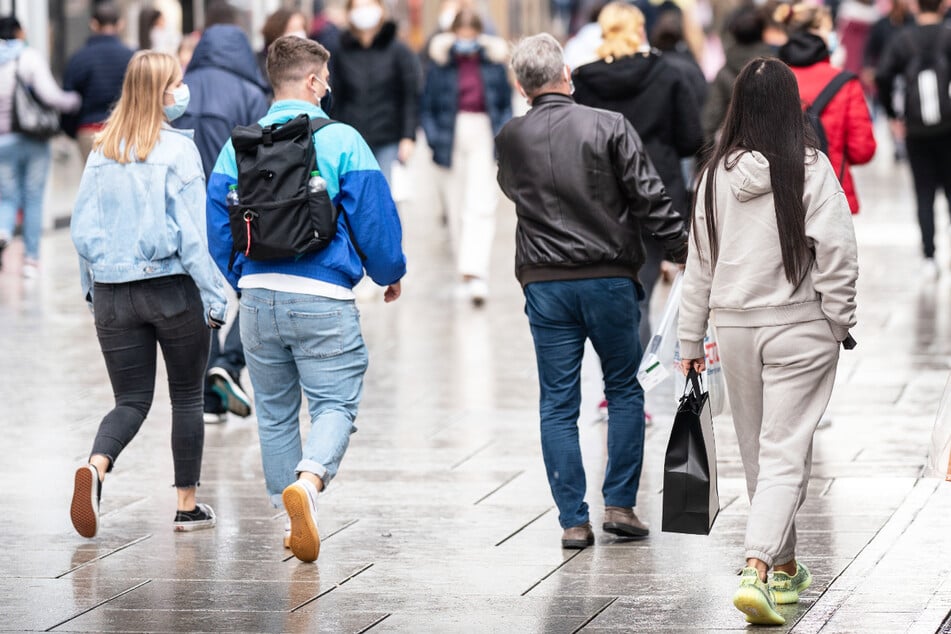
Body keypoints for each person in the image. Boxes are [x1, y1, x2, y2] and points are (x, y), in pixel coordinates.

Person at [206, 35, 406, 563]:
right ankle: (309, 484)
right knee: (334, 404)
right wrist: (389, 273)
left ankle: (288, 517)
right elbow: (375, 219)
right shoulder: (343, 140)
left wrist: (244, 276)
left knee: (273, 414)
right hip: (322, 295)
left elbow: (217, 229)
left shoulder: (237, 145)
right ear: (315, 81)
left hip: (257, 299)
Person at [679, 57, 857, 626]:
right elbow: (838, 254)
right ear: (790, 105)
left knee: (761, 454)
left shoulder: (712, 176)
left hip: (734, 327)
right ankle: (756, 566)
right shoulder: (809, 169)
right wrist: (837, 319)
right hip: (799, 325)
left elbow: (697, 267)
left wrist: (689, 339)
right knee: (784, 453)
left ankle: (783, 572)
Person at [495, 33, 688, 549]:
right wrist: (682, 246)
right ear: (567, 75)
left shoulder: (512, 136)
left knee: (557, 402)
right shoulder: (608, 126)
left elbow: (511, 188)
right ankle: (620, 505)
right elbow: (648, 196)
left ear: (520, 86)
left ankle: (572, 520)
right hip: (608, 277)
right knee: (623, 387)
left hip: (545, 281)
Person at [69, 50, 228, 539]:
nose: (183, 91)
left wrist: (92, 290)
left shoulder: (101, 151)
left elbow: (81, 232)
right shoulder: (178, 152)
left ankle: (95, 467)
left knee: (131, 401)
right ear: (162, 93)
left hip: (114, 291)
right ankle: (186, 507)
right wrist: (216, 297)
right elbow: (194, 237)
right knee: (186, 395)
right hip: (173, 290)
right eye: (177, 83)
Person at [572, 1, 703, 346]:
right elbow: (691, 139)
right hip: (657, 191)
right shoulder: (668, 73)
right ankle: (632, 380)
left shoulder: (584, 80)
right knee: (640, 289)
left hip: (603, 195)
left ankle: (621, 380)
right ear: (640, 31)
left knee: (614, 290)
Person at [174, 23, 270, 424]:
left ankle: (207, 396)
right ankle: (229, 363)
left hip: (184, 207)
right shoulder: (252, 93)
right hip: (236, 208)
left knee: (200, 297)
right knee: (258, 292)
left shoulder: (179, 88)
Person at [420, 9, 511, 306]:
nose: (467, 39)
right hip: (450, 133)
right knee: (456, 202)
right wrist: (433, 139)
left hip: (483, 129)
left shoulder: (492, 64)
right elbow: (428, 104)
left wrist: (502, 136)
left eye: (472, 34)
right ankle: (464, 268)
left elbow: (504, 104)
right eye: (463, 33)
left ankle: (476, 270)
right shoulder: (441, 64)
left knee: (481, 202)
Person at [777, 2, 876, 216]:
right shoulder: (845, 82)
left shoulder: (772, 78)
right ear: (817, 33)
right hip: (832, 191)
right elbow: (863, 150)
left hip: (780, 193)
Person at [0, 16, 81, 276]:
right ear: (18, 32)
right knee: (33, 197)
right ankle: (31, 261)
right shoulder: (28, 58)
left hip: (2, 141)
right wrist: (74, 101)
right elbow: (51, 96)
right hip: (34, 138)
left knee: (7, 196)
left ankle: (2, 229)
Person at [876, 0, 951, 276]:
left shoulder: (902, 40)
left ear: (915, 7)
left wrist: (894, 115)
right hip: (948, 125)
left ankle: (929, 256)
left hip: (916, 129)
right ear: (942, 6)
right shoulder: (948, 35)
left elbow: (883, 76)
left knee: (924, 193)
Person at [330, 0, 421, 185]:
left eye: (368, 5)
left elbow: (410, 95)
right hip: (351, 139)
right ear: (349, 12)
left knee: (383, 193)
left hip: (388, 138)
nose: (364, 12)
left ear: (381, 9)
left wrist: (408, 136)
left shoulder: (398, 50)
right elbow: (335, 97)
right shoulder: (340, 50)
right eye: (358, 7)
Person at [62, 2, 134, 162]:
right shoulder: (132, 57)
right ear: (120, 24)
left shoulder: (78, 58)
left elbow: (68, 101)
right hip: (124, 129)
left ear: (93, 24)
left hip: (88, 130)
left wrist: (71, 130)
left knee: (93, 182)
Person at [703, 5, 775, 147]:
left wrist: (708, 155)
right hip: (775, 144)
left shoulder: (724, 72)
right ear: (763, 32)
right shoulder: (777, 66)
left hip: (738, 148)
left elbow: (712, 117)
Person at [257, 8, 308, 84]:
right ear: (277, 31)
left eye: (302, 28)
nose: (299, 34)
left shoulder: (308, 63)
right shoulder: (260, 64)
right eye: (293, 29)